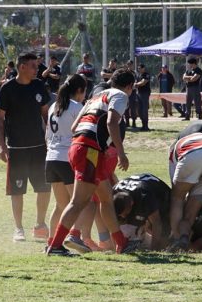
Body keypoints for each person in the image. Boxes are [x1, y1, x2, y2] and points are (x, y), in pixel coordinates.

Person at [45, 68, 138, 256]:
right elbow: (112, 123)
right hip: (89, 151)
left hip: (80, 148)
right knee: (79, 201)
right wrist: (121, 153)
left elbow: (73, 127)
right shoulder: (120, 96)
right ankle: (55, 245)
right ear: (130, 86)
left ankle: (121, 242)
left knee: (106, 197)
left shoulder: (95, 97)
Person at [0, 53, 52, 243]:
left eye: (37, 65)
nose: (37, 69)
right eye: (34, 66)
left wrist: (50, 139)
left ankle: (40, 225)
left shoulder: (39, 86)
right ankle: (18, 229)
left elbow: (45, 115)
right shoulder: (8, 88)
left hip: (39, 148)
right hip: (16, 148)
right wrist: (2, 145)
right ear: (22, 67)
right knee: (17, 190)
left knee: (44, 188)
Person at [44, 75, 88, 252]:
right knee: (78, 203)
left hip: (51, 158)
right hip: (67, 158)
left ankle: (51, 243)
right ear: (79, 91)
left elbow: (47, 134)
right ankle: (73, 237)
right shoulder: (78, 107)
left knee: (60, 204)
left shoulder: (53, 106)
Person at [113, 173, 171, 250]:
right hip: (141, 189)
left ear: (132, 203)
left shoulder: (145, 196)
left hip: (161, 195)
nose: (123, 216)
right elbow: (111, 220)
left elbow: (157, 222)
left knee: (163, 239)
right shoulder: (113, 192)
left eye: (126, 213)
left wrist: (153, 249)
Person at [135, 63, 151, 131]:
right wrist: (137, 84)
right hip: (139, 93)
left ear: (143, 68)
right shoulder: (138, 75)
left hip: (145, 93)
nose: (139, 69)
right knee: (139, 110)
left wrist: (136, 84)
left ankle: (146, 126)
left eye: (140, 68)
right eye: (138, 68)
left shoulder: (146, 74)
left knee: (144, 110)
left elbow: (143, 82)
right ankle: (142, 124)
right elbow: (137, 82)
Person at [124, 59, 139, 129]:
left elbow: (136, 81)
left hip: (132, 92)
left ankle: (133, 122)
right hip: (126, 92)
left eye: (131, 64)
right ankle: (127, 122)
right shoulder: (125, 73)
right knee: (126, 107)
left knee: (133, 107)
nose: (130, 66)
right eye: (129, 64)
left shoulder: (134, 73)